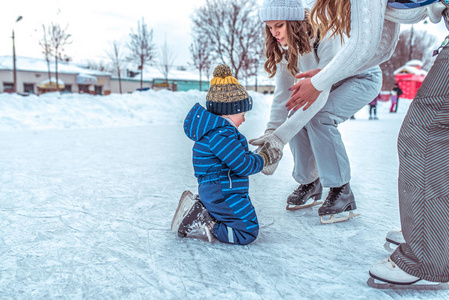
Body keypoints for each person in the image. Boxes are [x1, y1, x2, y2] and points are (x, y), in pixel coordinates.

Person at [283, 0, 449, 286]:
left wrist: (322, 80)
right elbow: (381, 47)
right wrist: (324, 76)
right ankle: (434, 233)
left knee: (425, 132)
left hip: (365, 78)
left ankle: (428, 257)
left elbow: (362, 46)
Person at [251, 0, 382, 223]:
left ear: (294, 23)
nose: (274, 33)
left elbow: (321, 91)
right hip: (324, 84)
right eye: (270, 27)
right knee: (295, 117)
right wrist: (273, 131)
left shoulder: (325, 32)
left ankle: (342, 191)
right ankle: (310, 182)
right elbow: (285, 93)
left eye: (279, 25)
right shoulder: (286, 47)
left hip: (361, 78)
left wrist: (280, 138)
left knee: (320, 118)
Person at [171, 64, 281, 245]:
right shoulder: (221, 134)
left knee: (243, 220)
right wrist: (264, 159)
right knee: (247, 231)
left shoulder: (216, 133)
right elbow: (243, 165)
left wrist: (255, 155)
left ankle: (205, 210)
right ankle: (206, 220)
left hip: (219, 190)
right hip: (223, 193)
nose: (244, 119)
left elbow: (236, 160)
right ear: (229, 112)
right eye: (243, 114)